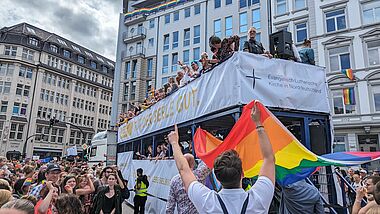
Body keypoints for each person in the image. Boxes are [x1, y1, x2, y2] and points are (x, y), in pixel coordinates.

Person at [167, 100, 275, 213]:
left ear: (217, 178)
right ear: (242, 174)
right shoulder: (258, 199)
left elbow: (184, 170)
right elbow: (269, 158)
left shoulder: (207, 202)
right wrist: (258, 123)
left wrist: (174, 142)